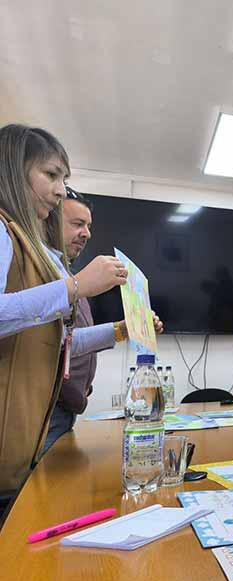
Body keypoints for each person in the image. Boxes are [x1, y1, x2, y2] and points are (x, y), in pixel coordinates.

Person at [0, 124, 128, 513]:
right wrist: (75, 287)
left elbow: (57, 342)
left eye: (63, 179)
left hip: (22, 442)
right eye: (51, 175)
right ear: (13, 169)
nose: (60, 191)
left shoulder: (30, 246)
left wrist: (119, 331)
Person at [42, 187, 164, 453]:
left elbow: (66, 340)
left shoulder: (67, 275)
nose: (86, 233)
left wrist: (125, 328)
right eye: (77, 224)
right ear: (48, 222)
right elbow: (56, 342)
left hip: (63, 407)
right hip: (46, 408)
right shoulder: (43, 273)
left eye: (88, 226)